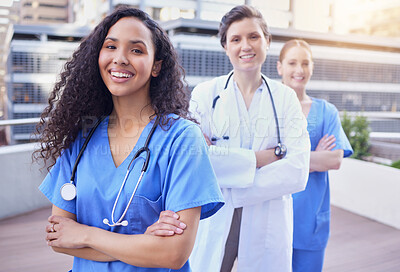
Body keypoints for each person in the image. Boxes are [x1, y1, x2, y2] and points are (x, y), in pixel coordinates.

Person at [34, 7, 224, 272]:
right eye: (110, 46)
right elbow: (59, 238)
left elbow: (173, 254)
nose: (120, 58)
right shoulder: (83, 138)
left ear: (156, 65)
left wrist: (85, 235)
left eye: (136, 50)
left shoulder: (181, 139)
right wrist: (144, 244)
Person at [188, 5, 310, 272]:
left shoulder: (286, 98)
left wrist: (230, 183)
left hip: (267, 218)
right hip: (215, 218)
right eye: (236, 39)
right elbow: (195, 160)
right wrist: (266, 158)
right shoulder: (205, 95)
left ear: (267, 41)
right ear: (225, 46)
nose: (246, 46)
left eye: (254, 36)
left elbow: (298, 171)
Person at [277, 39, 353, 272]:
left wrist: (285, 158)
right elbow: (257, 162)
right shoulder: (268, 109)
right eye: (292, 63)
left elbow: (335, 159)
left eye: (305, 63)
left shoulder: (326, 111)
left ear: (312, 67)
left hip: (311, 223)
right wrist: (314, 158)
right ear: (280, 67)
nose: (299, 70)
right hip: (274, 219)